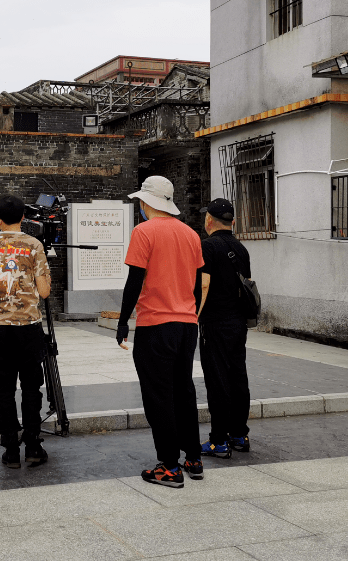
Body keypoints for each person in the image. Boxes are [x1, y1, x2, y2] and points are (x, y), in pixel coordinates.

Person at [115, 176, 205, 488]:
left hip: (155, 325)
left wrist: (123, 320)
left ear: (146, 202)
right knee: (184, 390)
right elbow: (195, 283)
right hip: (186, 324)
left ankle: (168, 466)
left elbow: (135, 281)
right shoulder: (191, 234)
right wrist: (189, 311)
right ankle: (193, 457)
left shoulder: (144, 231)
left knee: (159, 395)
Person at [0, 194, 52, 469]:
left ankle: (10, 449)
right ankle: (33, 445)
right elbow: (44, 291)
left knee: (4, 391)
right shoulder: (34, 245)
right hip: (29, 327)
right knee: (32, 387)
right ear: (23, 217)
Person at [197, 198, 253, 459]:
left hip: (215, 323)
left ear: (209, 220)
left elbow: (204, 285)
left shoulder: (207, 247)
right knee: (237, 376)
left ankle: (218, 441)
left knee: (217, 380)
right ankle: (239, 435)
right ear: (232, 221)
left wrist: (196, 316)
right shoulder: (241, 249)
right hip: (238, 322)